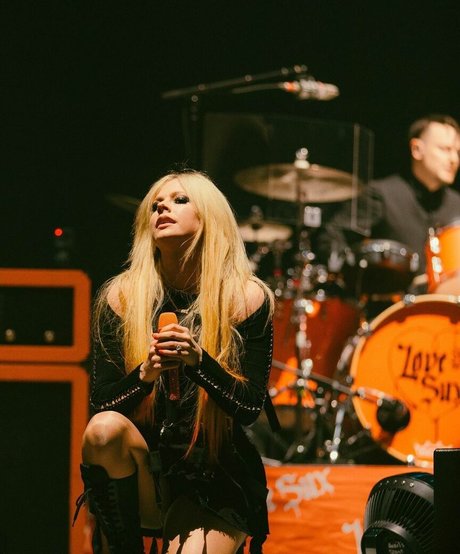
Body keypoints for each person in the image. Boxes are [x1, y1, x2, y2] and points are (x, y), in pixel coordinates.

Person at [75, 170, 275, 554]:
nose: (163, 208)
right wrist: (144, 375)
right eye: (155, 205)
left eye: (180, 200)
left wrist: (200, 363)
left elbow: (250, 407)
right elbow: (101, 403)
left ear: (209, 217)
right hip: (145, 471)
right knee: (103, 430)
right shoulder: (122, 297)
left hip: (213, 477)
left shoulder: (246, 298)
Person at [316, 113, 460, 302]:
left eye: (457, 152)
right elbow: (332, 237)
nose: (454, 159)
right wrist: (358, 278)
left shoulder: (457, 205)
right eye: (445, 149)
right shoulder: (382, 195)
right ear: (417, 149)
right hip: (388, 309)